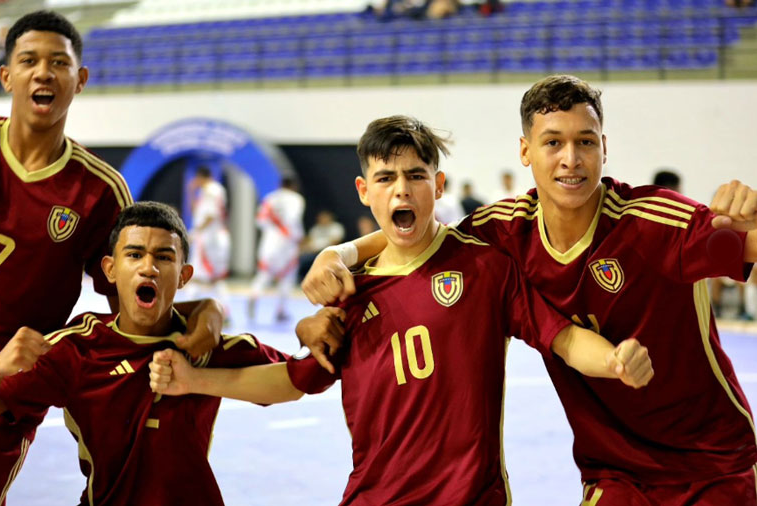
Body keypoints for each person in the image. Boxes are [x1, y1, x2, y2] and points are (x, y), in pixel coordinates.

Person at [152, 115, 655, 506]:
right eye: (386, 177)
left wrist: (614, 361)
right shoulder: (348, 298)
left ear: (438, 187)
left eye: (416, 176)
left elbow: (562, 337)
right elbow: (291, 381)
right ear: (363, 191)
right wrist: (193, 382)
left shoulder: (485, 268)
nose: (401, 190)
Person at [303, 76, 757, 505]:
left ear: (604, 148)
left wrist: (752, 217)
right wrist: (337, 256)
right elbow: (422, 232)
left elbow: (744, 244)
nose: (571, 159)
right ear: (526, 150)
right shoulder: (503, 234)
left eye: (585, 141)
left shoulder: (656, 222)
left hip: (712, 464)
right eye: (553, 142)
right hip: (614, 472)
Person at [0, 6, 223, 505]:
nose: (43, 72)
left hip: (3, 394)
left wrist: (197, 310)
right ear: (7, 76)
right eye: (29, 60)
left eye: (59, 62)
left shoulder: (99, 191)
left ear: (80, 80)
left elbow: (134, 304)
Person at [0, 202, 288, 505]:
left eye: (164, 257)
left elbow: (298, 379)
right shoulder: (77, 349)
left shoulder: (205, 344)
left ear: (184, 276)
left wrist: (311, 327)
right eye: (135, 254)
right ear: (110, 269)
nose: (149, 268)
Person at [248, 175, 305, 322]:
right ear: (293, 186)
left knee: (264, 275)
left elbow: (259, 221)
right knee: (287, 277)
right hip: (287, 244)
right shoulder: (296, 199)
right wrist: (299, 238)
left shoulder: (270, 198)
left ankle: (254, 296)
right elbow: (293, 220)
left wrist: (273, 229)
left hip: (269, 243)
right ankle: (281, 310)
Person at [186, 166, 232, 313]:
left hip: (209, 239)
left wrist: (195, 232)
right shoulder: (209, 191)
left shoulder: (211, 191)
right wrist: (191, 192)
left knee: (195, 275)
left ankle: (187, 311)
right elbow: (197, 211)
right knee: (216, 278)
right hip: (214, 237)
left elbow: (211, 215)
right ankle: (226, 310)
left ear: (200, 177)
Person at [298, 209, 345, 279]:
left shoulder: (336, 227)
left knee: (308, 259)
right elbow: (308, 241)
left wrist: (319, 248)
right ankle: (302, 278)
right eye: (321, 217)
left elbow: (335, 243)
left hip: (330, 253)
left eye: (325, 217)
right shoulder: (316, 229)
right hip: (313, 253)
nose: (323, 219)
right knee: (301, 258)